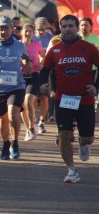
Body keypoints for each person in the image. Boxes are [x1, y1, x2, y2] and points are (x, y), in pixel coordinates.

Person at [40, 15, 99, 183]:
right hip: (63, 98)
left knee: (88, 138)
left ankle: (83, 143)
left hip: (85, 99)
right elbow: (45, 70)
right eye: (64, 26)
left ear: (76, 28)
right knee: (64, 134)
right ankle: (71, 169)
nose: (67, 29)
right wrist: (43, 84)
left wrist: (96, 87)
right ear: (60, 28)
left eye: (70, 26)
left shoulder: (88, 48)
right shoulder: (55, 50)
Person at [0, 16, 32, 160]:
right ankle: (5, 144)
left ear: (11, 29)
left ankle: (15, 143)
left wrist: (28, 62)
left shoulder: (19, 45)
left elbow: (25, 57)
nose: (4, 30)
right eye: (1, 28)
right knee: (2, 119)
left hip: (16, 86)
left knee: (13, 115)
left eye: (6, 27)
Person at [20, 23, 45, 141]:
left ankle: (31, 128)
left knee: (28, 100)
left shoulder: (37, 44)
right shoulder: (17, 45)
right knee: (22, 106)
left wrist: (41, 63)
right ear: (21, 32)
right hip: (20, 77)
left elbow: (42, 56)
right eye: (25, 31)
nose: (27, 33)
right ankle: (29, 129)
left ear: (33, 33)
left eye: (30, 31)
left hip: (34, 76)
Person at [35, 16, 56, 132]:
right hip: (33, 70)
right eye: (39, 30)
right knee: (32, 98)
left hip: (45, 70)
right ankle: (32, 116)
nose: (41, 32)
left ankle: (41, 121)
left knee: (44, 97)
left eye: (43, 29)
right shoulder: (31, 36)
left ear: (47, 27)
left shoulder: (52, 38)